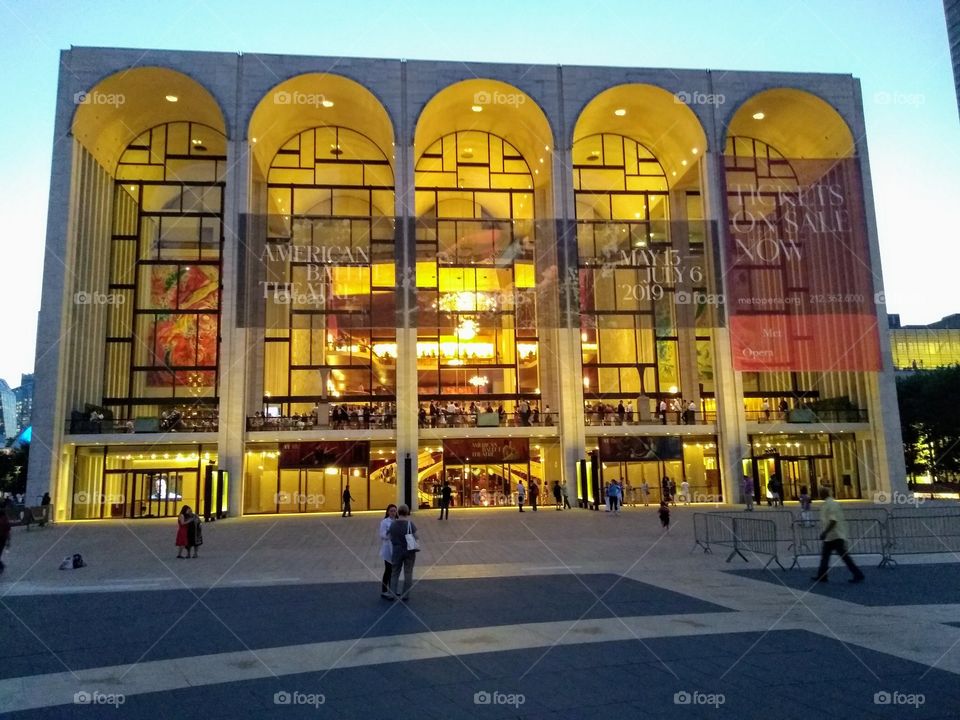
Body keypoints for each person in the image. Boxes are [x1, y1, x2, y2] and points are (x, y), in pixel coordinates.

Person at [812, 487, 865, 584]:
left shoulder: (830, 504)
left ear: (824, 494)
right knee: (828, 556)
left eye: (820, 493)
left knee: (841, 556)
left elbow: (833, 520)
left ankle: (858, 574)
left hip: (835, 535)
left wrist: (825, 532)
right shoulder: (828, 504)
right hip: (833, 535)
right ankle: (822, 575)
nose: (819, 495)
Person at [389, 504, 418, 601]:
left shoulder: (393, 524)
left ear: (398, 512)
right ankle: (406, 595)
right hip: (409, 551)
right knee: (408, 572)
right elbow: (416, 536)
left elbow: (389, 536)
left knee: (394, 572)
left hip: (397, 550)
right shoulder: (410, 524)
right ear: (407, 513)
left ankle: (392, 593)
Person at [379, 504, 397, 599]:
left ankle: (393, 589)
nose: (393, 513)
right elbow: (382, 535)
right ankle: (385, 590)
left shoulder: (398, 522)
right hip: (387, 548)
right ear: (388, 512)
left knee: (394, 570)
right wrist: (389, 534)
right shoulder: (384, 522)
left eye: (394, 511)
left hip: (396, 548)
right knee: (388, 570)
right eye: (391, 511)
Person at [0, 499, 10, 574]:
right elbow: (8, 530)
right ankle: (1, 566)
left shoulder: (3, 519)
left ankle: (1, 566)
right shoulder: (5, 518)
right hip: (3, 539)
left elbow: (7, 530)